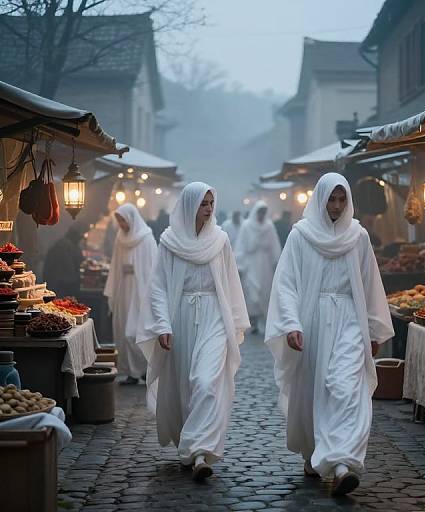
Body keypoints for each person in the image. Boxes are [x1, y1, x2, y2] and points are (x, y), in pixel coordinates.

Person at [265, 173, 394, 497]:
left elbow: (369, 283)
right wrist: (291, 323)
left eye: (341, 200)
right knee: (312, 390)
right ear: (321, 199)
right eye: (331, 199)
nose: (336, 206)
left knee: (345, 386)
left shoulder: (358, 236)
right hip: (312, 321)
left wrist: (374, 328)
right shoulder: (301, 236)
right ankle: (313, 452)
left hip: (350, 320)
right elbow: (287, 284)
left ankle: (341, 464)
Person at [136, 182, 249, 482]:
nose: (209, 209)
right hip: (181, 317)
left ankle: (200, 452)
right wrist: (162, 324)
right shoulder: (169, 242)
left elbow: (230, 282)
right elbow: (158, 286)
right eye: (203, 203)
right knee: (185, 385)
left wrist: (236, 321)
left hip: (214, 316)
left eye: (211, 203)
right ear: (189, 206)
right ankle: (190, 442)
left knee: (206, 380)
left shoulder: (221, 241)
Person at [104, 204, 157, 385]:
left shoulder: (147, 238)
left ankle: (145, 369)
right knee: (123, 330)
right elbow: (115, 265)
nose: (121, 224)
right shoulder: (120, 239)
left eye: (123, 220)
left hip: (141, 290)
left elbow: (153, 268)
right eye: (118, 220)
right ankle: (131, 372)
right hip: (124, 289)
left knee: (135, 332)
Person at [235, 200, 281, 334]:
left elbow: (274, 245)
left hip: (265, 264)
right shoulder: (246, 226)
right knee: (251, 291)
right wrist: (240, 264)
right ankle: (253, 320)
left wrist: (276, 261)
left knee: (265, 291)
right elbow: (241, 246)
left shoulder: (269, 226)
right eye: (260, 211)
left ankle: (265, 320)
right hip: (251, 263)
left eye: (263, 212)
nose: (261, 214)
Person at [43, 224, 87, 298]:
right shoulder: (71, 247)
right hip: (63, 286)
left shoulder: (59, 243)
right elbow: (78, 265)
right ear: (75, 236)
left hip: (53, 284)